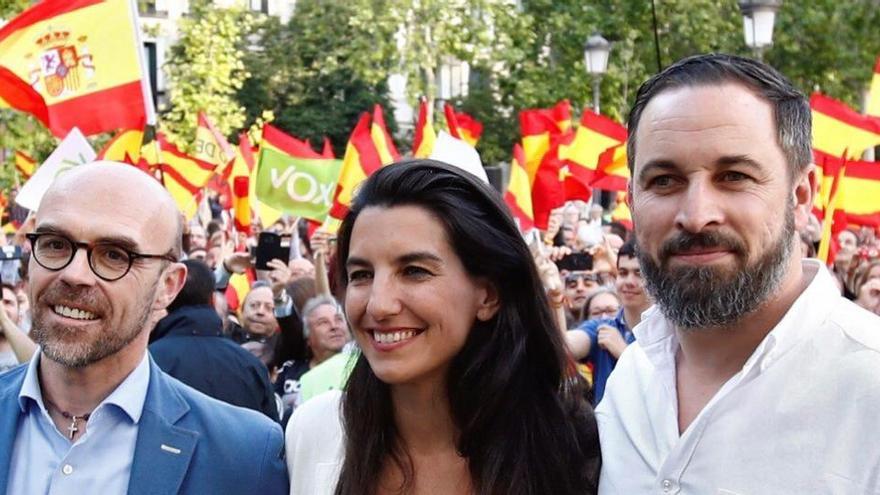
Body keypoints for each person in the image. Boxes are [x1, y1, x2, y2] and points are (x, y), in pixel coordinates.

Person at [597, 54, 880, 493]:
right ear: (631, 199)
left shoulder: (869, 387)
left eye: (733, 176)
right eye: (664, 181)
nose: (695, 215)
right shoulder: (631, 380)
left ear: (801, 194)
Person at [286, 160, 600, 495]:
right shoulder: (314, 431)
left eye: (414, 271)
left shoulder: (571, 444)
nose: (378, 304)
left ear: (488, 295)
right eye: (361, 275)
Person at [0, 162, 287, 494]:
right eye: (55, 244)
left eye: (114, 255)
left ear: (168, 286)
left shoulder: (244, 454)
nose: (74, 274)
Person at [149, 259, 279, 421]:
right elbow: (272, 438)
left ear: (165, 295)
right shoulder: (250, 365)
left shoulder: (148, 362)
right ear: (213, 300)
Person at [567, 240, 651, 405]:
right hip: (606, 430)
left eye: (638, 274)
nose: (629, 281)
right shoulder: (602, 327)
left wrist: (624, 353)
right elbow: (561, 346)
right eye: (622, 272)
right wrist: (553, 298)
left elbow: (667, 388)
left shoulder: (671, 330)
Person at [275, 295, 350, 423]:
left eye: (339, 320)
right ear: (308, 336)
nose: (334, 326)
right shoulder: (289, 371)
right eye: (323, 322)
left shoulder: (362, 367)